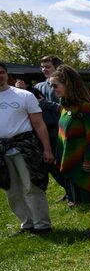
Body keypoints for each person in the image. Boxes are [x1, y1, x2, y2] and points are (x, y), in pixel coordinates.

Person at [50, 65, 90, 237]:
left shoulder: (85, 107)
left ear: (68, 84)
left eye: (55, 85)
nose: (52, 89)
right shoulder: (66, 107)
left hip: (88, 158)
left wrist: (88, 160)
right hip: (76, 157)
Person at [0, 61, 54, 234]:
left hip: (24, 147)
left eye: (1, 72)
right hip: (1, 150)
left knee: (32, 186)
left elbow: (39, 125)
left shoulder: (24, 95)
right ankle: (27, 223)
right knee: (11, 190)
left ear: (7, 74)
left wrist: (47, 149)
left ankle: (42, 224)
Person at [34, 55, 71, 203]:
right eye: (42, 67)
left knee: (66, 165)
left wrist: (44, 103)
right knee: (50, 165)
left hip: (63, 132)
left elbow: (66, 108)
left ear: (57, 67)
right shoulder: (38, 87)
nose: (44, 69)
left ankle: (74, 193)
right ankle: (69, 190)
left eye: (47, 66)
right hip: (45, 133)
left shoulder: (64, 85)